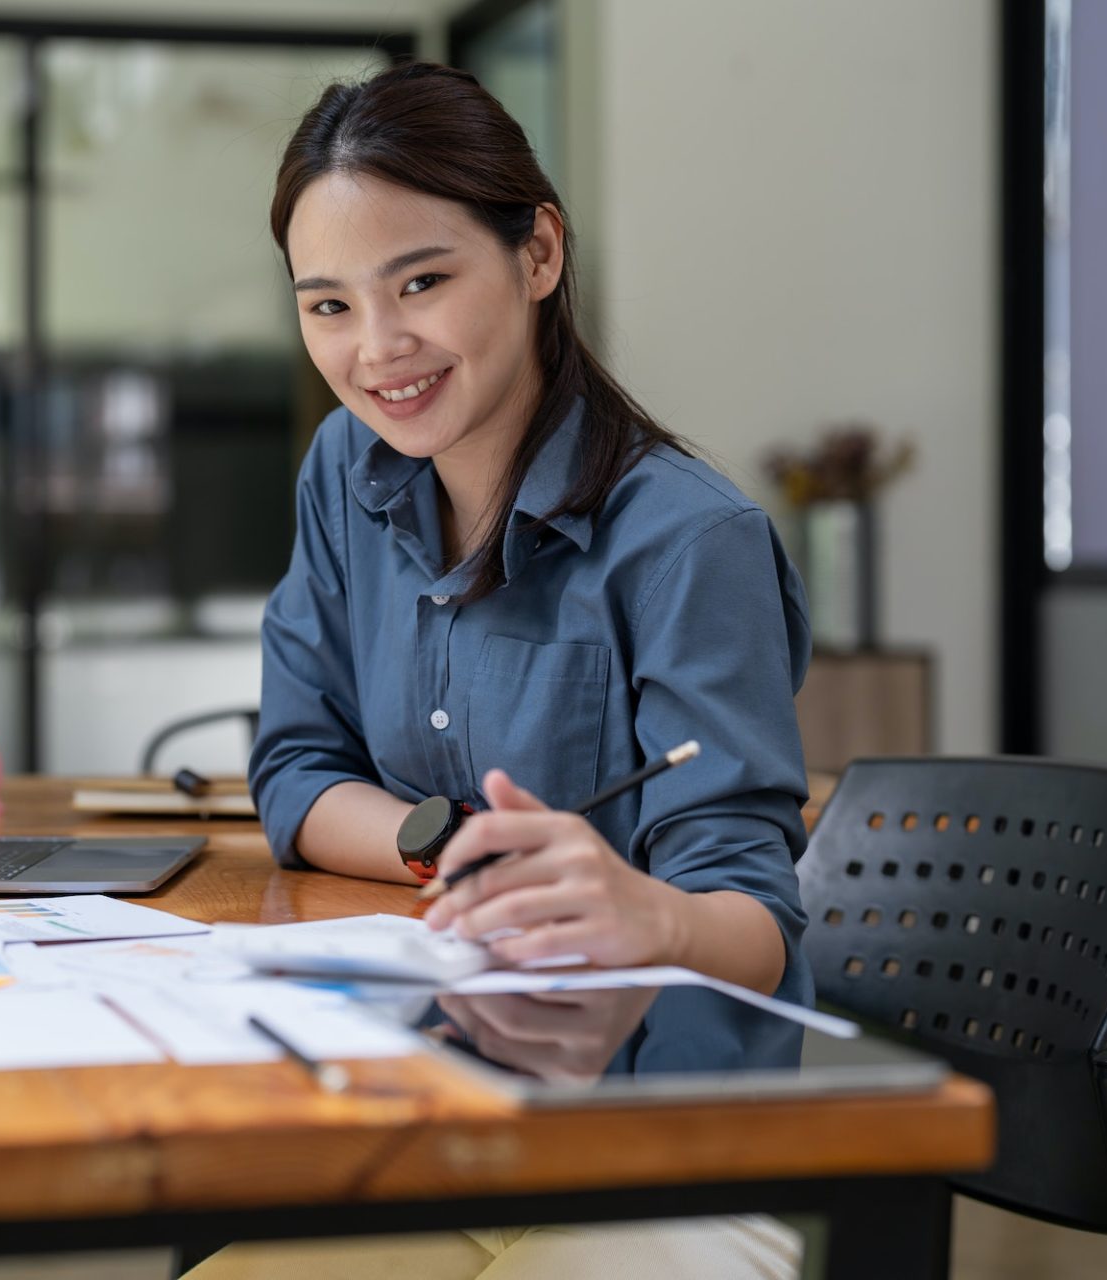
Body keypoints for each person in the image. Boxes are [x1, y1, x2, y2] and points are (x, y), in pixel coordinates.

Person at [198, 60, 814, 1280]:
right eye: (328, 305)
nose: (379, 349)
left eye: (422, 281)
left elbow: (758, 922)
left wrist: (648, 911)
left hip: (662, 1142)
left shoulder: (691, 541)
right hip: (431, 1112)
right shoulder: (346, 471)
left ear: (538, 254)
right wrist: (452, 842)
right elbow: (295, 767)